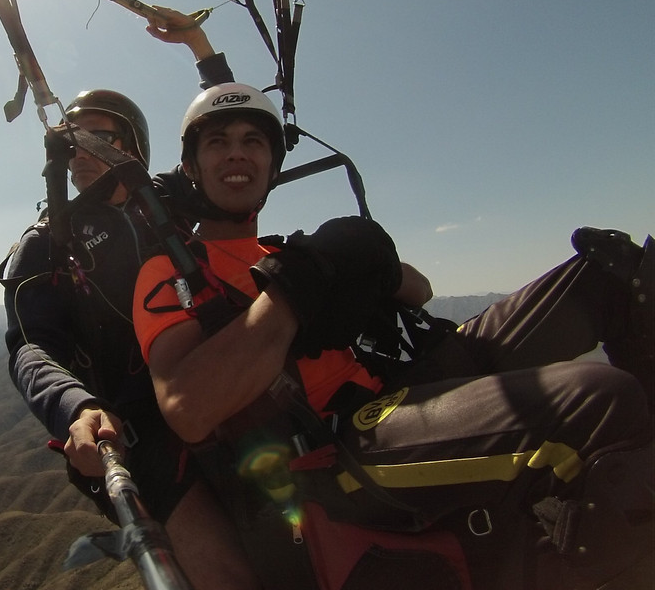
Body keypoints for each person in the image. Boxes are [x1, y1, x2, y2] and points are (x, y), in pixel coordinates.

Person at [132, 81, 654, 589]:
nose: (236, 155)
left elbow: (418, 289)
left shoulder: (283, 250)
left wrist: (367, 259)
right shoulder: (172, 274)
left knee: (614, 274)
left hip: (408, 372)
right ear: (191, 168)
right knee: (597, 400)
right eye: (217, 143)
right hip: (340, 441)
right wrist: (295, 290)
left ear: (273, 163)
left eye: (253, 141)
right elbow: (188, 407)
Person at [0, 14, 262, 588]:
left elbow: (231, 138)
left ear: (133, 149)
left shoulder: (168, 201)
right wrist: (73, 406)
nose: (83, 153)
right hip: (142, 428)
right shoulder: (46, 247)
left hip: (229, 379)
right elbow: (31, 347)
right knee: (227, 570)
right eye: (74, 143)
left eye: (102, 138)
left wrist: (201, 49)